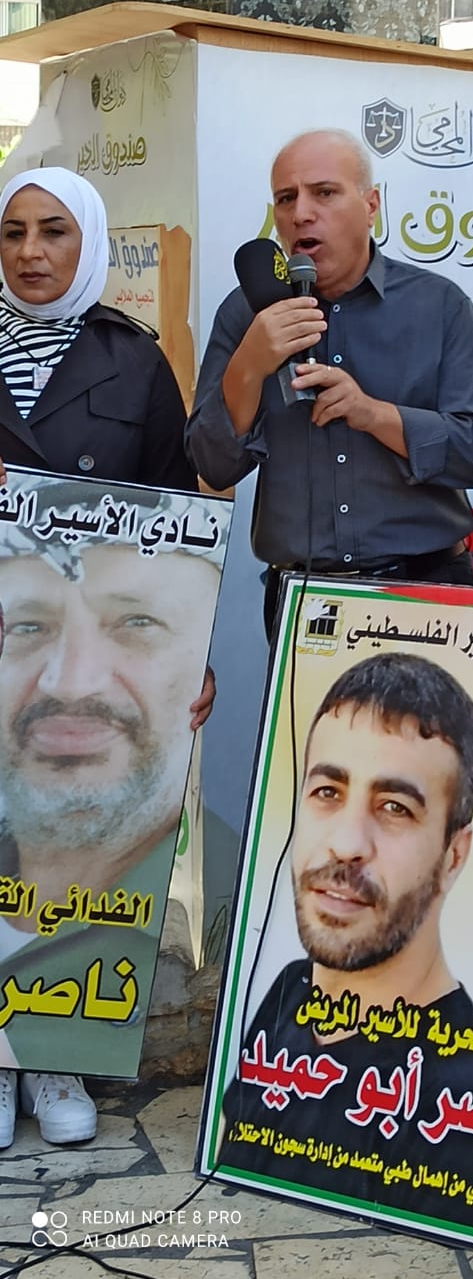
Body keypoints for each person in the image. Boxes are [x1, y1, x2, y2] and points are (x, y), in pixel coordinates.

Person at [0, 166, 213, 1148]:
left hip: (84, 661)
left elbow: (174, 519)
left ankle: (55, 1056)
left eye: (54, 231)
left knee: (71, 844)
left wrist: (188, 652)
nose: (31, 251)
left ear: (87, 242)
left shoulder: (133, 362)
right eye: (13, 233)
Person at [220, 653, 473, 1242]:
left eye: (395, 808)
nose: (347, 844)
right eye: (327, 792)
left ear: (453, 856)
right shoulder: (290, 990)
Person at [185, 130, 473, 633]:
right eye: (285, 199)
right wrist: (248, 367)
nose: (301, 213)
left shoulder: (438, 305)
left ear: (371, 205)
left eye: (324, 193)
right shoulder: (247, 314)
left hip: (426, 592)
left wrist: (373, 415)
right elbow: (212, 466)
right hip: (304, 605)